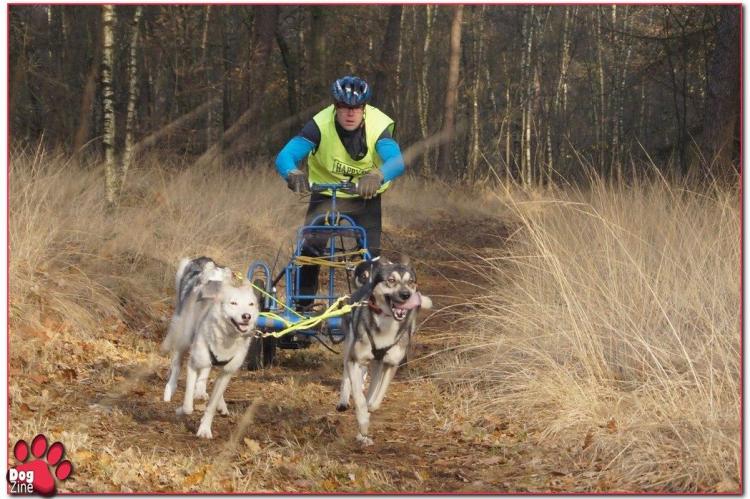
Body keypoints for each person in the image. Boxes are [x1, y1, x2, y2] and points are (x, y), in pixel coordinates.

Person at [275, 75, 405, 308]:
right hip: (326, 193)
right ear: (335, 107)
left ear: (364, 108)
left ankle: (370, 308)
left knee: (370, 254)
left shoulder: (378, 125)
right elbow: (287, 155)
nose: (350, 113)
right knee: (309, 251)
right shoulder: (319, 125)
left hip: (365, 195)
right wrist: (292, 173)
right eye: (344, 107)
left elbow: (396, 160)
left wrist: (377, 175)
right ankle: (303, 309)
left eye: (356, 108)